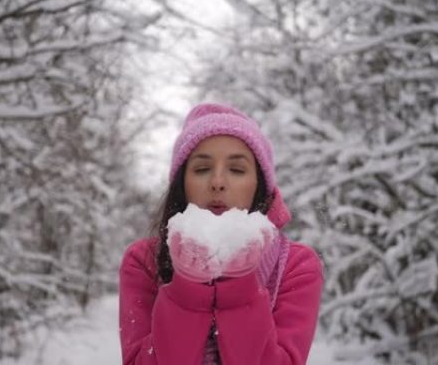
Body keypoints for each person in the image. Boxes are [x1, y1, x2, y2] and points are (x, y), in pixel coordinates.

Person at [118, 103, 323, 365]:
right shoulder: (143, 260)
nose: (217, 182)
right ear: (182, 183)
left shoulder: (297, 265)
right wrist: (189, 284)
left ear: (259, 184)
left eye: (236, 170)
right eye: (202, 169)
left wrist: (237, 284)